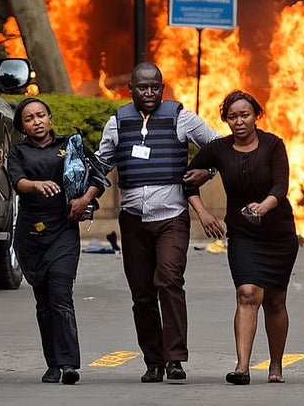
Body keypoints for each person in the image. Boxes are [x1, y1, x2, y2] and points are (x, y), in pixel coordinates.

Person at [94, 62, 220, 383]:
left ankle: (175, 358)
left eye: (155, 87)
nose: (149, 93)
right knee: (142, 294)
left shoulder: (181, 118)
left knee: (168, 281)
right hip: (134, 221)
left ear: (162, 89)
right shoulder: (117, 124)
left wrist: (207, 172)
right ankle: (154, 361)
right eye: (142, 87)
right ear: (130, 90)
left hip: (172, 219)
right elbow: (102, 163)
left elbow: (220, 148)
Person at [184, 90, 299, 385]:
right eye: (232, 116)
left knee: (274, 300)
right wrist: (204, 213)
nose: (239, 122)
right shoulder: (219, 149)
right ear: (225, 120)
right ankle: (242, 367)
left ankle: (275, 365)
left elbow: (280, 186)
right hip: (243, 233)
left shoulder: (273, 145)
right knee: (247, 293)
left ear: (256, 115)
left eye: (244, 115)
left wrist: (263, 207)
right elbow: (186, 180)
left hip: (278, 233)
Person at [7, 98, 104, 385]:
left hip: (63, 229)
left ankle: (69, 364)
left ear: (50, 118)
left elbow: (98, 176)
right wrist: (35, 185)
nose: (36, 121)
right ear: (22, 126)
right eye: (29, 118)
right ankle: (52, 364)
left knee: (61, 296)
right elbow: (17, 182)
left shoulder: (70, 144)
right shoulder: (18, 152)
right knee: (44, 303)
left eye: (41, 115)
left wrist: (83, 199)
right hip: (32, 235)